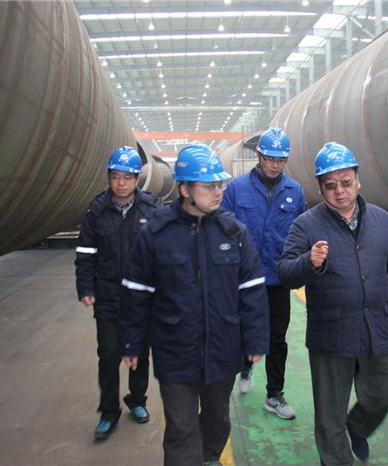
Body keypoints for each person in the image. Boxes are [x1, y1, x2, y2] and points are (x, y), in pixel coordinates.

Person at [117, 145, 269, 466]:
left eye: (220, 184)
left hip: (223, 349)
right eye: (209, 186)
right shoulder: (156, 234)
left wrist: (255, 339)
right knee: (181, 429)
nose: (218, 192)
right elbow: (136, 293)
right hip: (175, 351)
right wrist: (131, 343)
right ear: (185, 190)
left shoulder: (234, 232)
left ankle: (210, 456)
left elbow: (252, 289)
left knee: (217, 419)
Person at [277, 142, 388, 465]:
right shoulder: (306, 225)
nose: (340, 191)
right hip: (332, 334)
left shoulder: (381, 220)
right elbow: (285, 273)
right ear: (320, 188)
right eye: (331, 185)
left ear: (358, 180)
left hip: (377, 327)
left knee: (386, 392)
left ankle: (358, 427)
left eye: (346, 182)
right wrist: (308, 262)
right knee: (330, 414)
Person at [74, 146, 160, 440]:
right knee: (109, 355)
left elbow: (161, 253)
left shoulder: (150, 210)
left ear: (137, 179)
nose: (120, 183)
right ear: (109, 178)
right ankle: (109, 411)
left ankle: (137, 400)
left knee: (140, 354)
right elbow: (86, 252)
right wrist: (86, 287)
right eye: (115, 177)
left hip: (141, 299)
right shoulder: (97, 211)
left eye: (127, 177)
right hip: (108, 296)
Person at [221, 127, 306, 419]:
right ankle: (246, 365)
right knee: (243, 330)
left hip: (278, 276)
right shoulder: (236, 189)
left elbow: (300, 233)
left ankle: (274, 394)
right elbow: (223, 228)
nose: (274, 165)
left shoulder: (294, 191)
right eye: (269, 159)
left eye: (280, 160)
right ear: (258, 156)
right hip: (245, 278)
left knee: (277, 338)